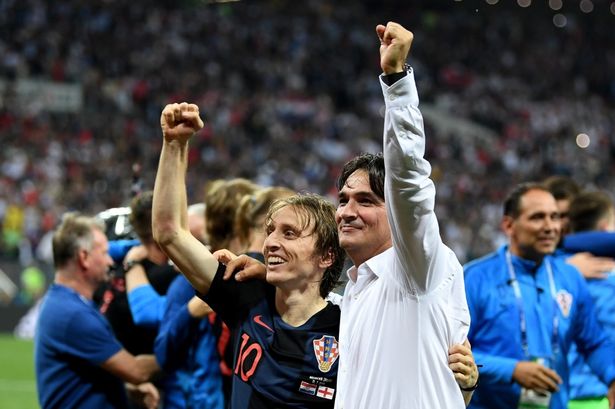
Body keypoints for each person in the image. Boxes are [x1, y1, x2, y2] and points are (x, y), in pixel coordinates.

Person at [222, 21, 478, 408]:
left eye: (366, 201)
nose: (347, 212)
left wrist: (397, 83)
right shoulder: (356, 292)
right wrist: (276, 277)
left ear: (396, 214)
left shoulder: (417, 270)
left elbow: (409, 183)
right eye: (343, 200)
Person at [464, 183, 615, 409]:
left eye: (555, 217)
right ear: (509, 225)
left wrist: (612, 377)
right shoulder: (475, 278)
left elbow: (593, 343)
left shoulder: (569, 277)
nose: (550, 226)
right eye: (537, 217)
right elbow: (456, 355)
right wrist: (511, 370)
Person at [34, 212, 159, 409]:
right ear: (84, 257)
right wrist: (177, 351)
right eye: (104, 253)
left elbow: (86, 371)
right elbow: (137, 371)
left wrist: (126, 389)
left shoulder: (66, 303)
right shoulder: (73, 315)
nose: (110, 261)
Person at [563, 191, 615, 409]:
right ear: (604, 227)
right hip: (604, 394)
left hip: (557, 396)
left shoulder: (550, 272)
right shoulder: (610, 278)